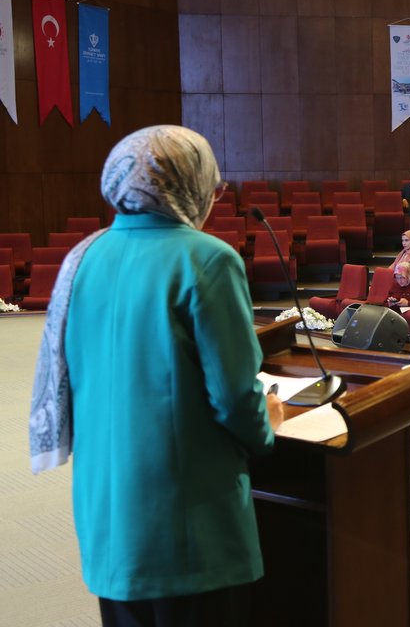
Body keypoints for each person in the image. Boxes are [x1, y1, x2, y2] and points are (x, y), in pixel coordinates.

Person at [30, 126, 282, 624]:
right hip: (189, 522)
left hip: (108, 516)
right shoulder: (207, 259)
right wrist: (268, 422)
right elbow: (233, 397)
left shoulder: (83, 257)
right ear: (185, 185)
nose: (214, 196)